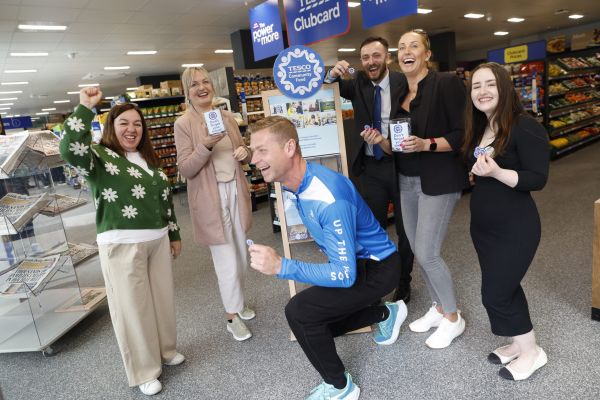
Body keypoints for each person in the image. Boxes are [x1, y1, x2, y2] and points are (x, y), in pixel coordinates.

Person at [248, 116, 407, 400]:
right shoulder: (298, 183)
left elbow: (344, 276)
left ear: (289, 147)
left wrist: (282, 266)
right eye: (252, 151)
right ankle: (385, 313)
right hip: (361, 264)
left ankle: (340, 387)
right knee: (315, 326)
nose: (253, 159)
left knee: (300, 312)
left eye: (261, 150)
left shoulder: (328, 197)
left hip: (379, 268)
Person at [59, 88, 183, 396]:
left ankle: (166, 350)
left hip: (157, 240)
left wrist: (175, 233)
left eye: (138, 124)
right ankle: (143, 369)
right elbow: (69, 148)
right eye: (124, 123)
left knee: (162, 302)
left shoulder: (149, 160)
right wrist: (86, 107)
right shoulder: (98, 158)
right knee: (132, 309)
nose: (132, 129)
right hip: (120, 244)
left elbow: (164, 199)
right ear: (111, 127)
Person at [463, 62, 549, 380]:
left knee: (495, 292)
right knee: (506, 286)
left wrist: (497, 172)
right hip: (484, 228)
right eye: (476, 86)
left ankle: (532, 352)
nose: (482, 91)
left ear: (504, 88)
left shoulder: (524, 126)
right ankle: (518, 341)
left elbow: (538, 178)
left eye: (490, 85)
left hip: (516, 227)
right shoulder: (482, 127)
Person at [392, 29, 469, 349]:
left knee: (427, 252)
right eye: (401, 47)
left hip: (438, 180)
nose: (406, 51)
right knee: (416, 248)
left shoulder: (446, 84)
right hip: (406, 180)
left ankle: (453, 317)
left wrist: (427, 144)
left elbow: (463, 133)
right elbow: (401, 139)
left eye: (413, 46)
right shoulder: (401, 92)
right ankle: (438, 307)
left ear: (426, 53)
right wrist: (384, 141)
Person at [326, 36, 415, 303]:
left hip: (402, 166)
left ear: (387, 57)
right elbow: (328, 86)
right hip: (371, 169)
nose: (370, 62)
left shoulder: (403, 82)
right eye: (365, 58)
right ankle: (376, 283)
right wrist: (332, 73)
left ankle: (404, 282)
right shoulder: (359, 83)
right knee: (372, 229)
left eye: (376, 56)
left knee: (405, 229)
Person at [174, 67, 255, 341]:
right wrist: (206, 144)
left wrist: (246, 152)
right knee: (226, 260)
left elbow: (243, 151)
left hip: (235, 190)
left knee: (242, 256)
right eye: (194, 84)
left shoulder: (226, 116)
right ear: (188, 91)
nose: (202, 87)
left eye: (206, 81)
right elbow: (185, 168)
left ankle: (239, 302)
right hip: (211, 198)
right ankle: (231, 316)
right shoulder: (183, 123)